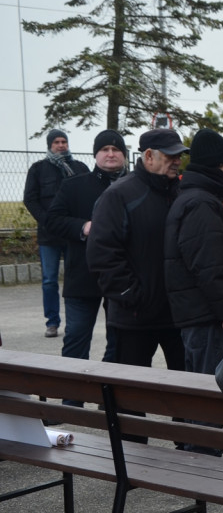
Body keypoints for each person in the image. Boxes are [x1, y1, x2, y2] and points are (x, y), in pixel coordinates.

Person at [165, 129, 223, 455]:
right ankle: (201, 464)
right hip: (206, 318)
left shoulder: (192, 198)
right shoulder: (202, 204)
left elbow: (221, 258)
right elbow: (209, 267)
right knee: (210, 394)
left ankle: (196, 457)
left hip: (196, 314)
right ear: (215, 165)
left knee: (200, 393)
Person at [87, 128, 188, 375]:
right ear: (149, 156)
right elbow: (101, 254)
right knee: (129, 397)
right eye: (171, 155)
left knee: (189, 391)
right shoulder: (119, 195)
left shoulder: (182, 194)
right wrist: (132, 296)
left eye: (180, 156)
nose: (177, 161)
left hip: (178, 315)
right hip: (133, 318)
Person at [45, 130, 125, 372]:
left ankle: (109, 399)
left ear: (124, 154)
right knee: (76, 342)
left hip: (123, 280)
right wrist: (83, 226)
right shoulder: (74, 186)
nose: (110, 154)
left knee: (120, 345)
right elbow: (53, 220)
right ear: (95, 155)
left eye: (116, 149)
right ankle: (71, 405)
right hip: (82, 277)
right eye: (104, 150)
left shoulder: (136, 185)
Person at [23, 128, 89, 337]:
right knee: (50, 280)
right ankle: (52, 322)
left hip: (73, 235)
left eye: (64, 141)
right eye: (56, 142)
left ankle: (75, 321)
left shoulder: (79, 168)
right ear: (50, 145)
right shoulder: (38, 169)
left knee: (75, 279)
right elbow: (30, 199)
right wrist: (47, 221)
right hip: (49, 236)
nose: (61, 145)